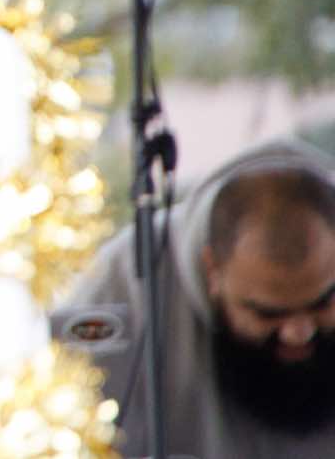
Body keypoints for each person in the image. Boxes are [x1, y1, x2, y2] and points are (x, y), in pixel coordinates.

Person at [58, 135, 335, 457]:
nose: (299, 332)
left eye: (323, 302)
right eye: (268, 313)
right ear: (212, 269)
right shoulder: (123, 287)